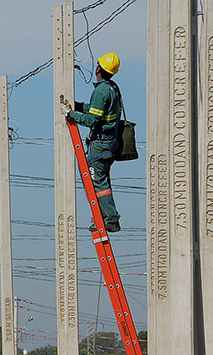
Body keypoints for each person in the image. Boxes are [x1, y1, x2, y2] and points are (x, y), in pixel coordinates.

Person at [65, 52, 123, 232]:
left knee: (97, 180)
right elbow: (96, 111)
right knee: (101, 179)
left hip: (101, 143)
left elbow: (92, 120)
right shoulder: (111, 87)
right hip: (109, 141)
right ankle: (105, 216)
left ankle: (111, 219)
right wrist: (78, 106)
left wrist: (71, 114)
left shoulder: (101, 90)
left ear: (99, 68)